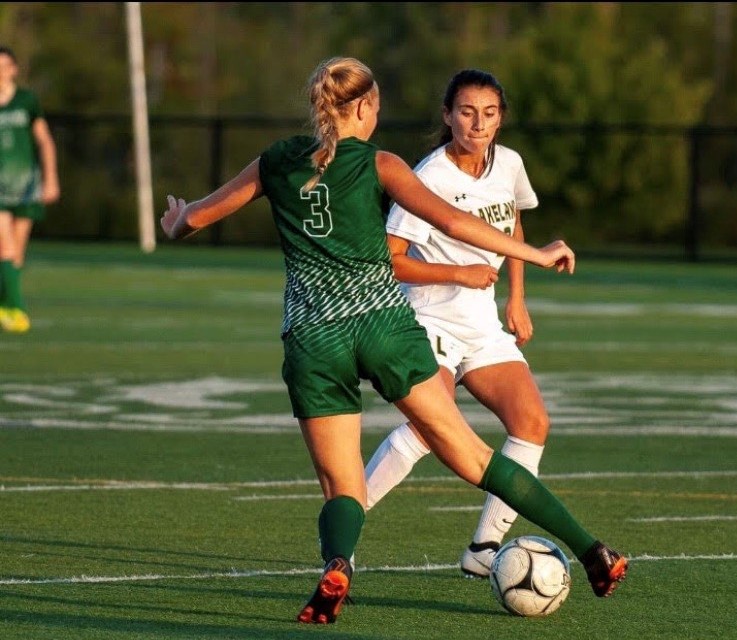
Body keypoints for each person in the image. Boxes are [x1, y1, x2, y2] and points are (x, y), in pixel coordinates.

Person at [160, 56, 628, 625]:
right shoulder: (381, 163)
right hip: (384, 328)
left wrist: (177, 220)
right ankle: (592, 550)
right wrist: (536, 253)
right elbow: (456, 224)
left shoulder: (275, 162)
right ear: (364, 108)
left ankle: (339, 564)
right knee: (473, 455)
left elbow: (198, 220)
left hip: (313, 337)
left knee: (343, 485)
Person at [364, 69, 553, 579]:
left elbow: (512, 221)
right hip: (429, 318)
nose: (478, 123)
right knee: (429, 429)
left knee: (532, 422)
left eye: (489, 113)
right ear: (448, 116)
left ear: (501, 118)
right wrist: (456, 272)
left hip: (483, 324)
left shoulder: (509, 162)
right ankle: (345, 524)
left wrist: (516, 298)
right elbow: (389, 257)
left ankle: (484, 548)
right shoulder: (429, 175)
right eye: (466, 112)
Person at [0, 46, 60, 333]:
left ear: (14, 70)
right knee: (5, 247)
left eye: (5, 66)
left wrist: (51, 179)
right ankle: (18, 310)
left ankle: (5, 303)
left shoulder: (26, 101)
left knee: (17, 255)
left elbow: (44, 141)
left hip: (25, 186)